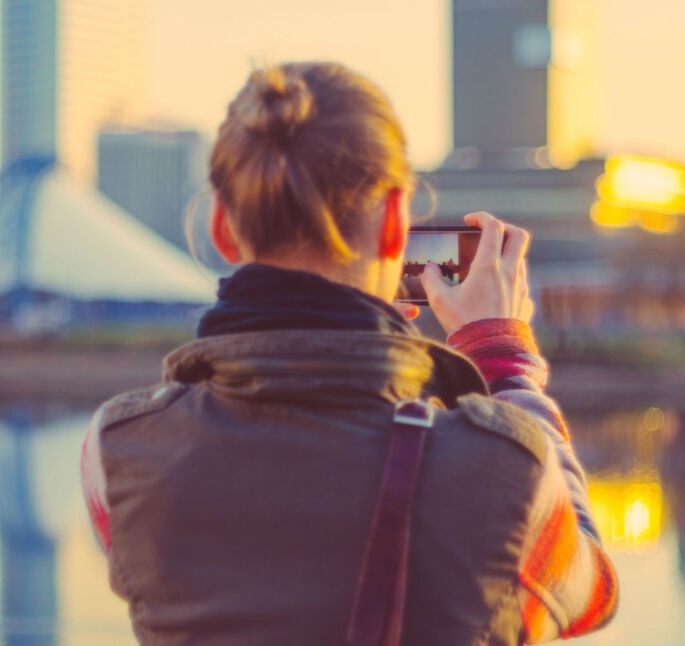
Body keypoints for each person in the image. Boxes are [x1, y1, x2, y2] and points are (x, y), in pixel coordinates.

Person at [81, 61, 617, 645]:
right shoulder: (506, 468)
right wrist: (502, 358)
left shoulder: (117, 451)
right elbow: (591, 595)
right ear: (394, 221)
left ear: (221, 228)